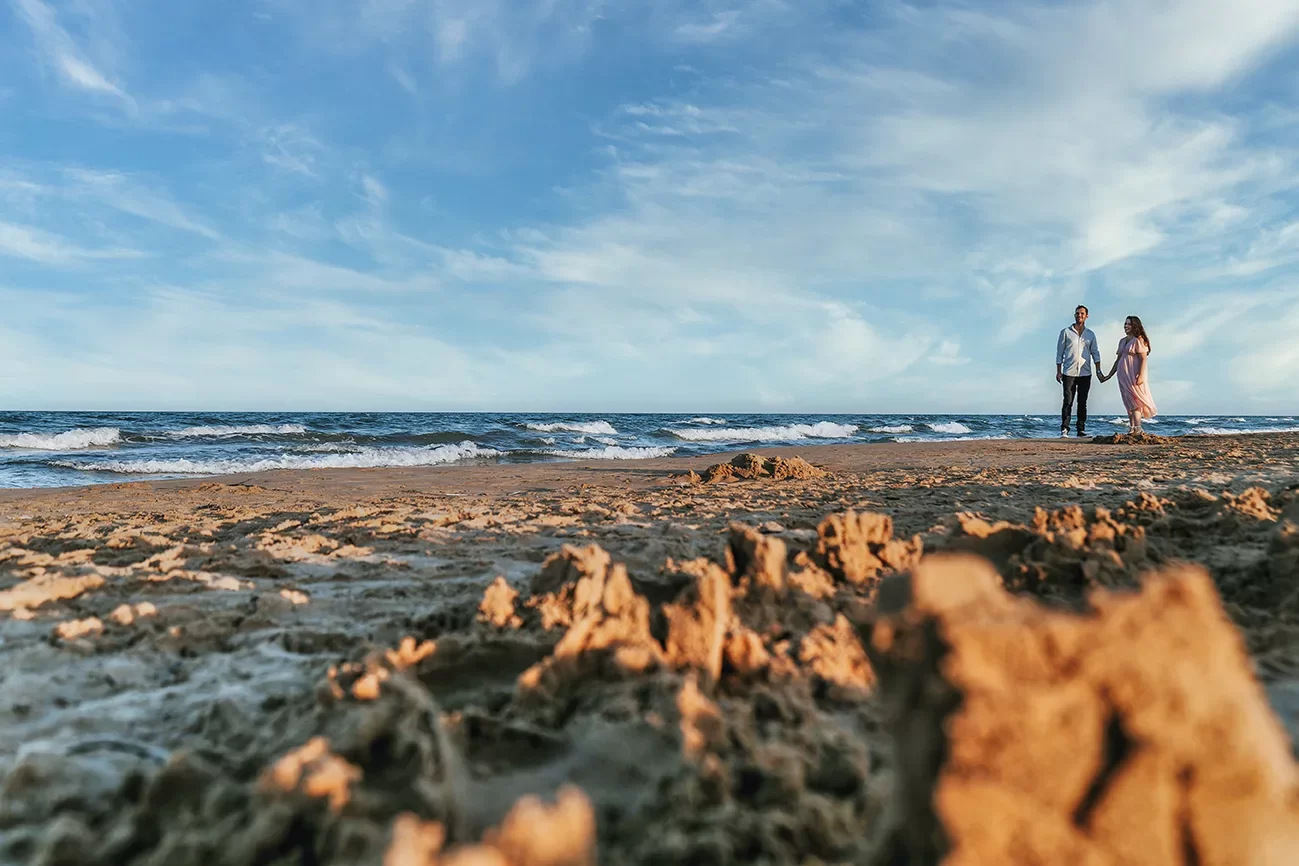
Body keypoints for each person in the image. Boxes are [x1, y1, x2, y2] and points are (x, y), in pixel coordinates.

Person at [1098, 315, 1156, 434]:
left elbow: (1143, 359)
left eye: (1129, 324)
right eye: (1125, 324)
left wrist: (1141, 375)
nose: (1126, 326)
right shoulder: (1122, 341)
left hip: (1133, 374)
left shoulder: (1138, 340)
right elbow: (1118, 360)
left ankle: (1138, 427)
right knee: (1128, 401)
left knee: (1135, 401)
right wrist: (1109, 376)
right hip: (1123, 376)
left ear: (1135, 326)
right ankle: (1132, 427)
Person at [1055, 304, 1101, 437]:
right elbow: (1059, 353)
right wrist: (1058, 371)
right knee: (1068, 401)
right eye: (1077, 313)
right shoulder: (1065, 332)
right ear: (1074, 315)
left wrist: (1098, 370)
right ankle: (1065, 429)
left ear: (1086, 316)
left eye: (1082, 313)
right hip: (1068, 372)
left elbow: (1095, 353)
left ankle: (1080, 430)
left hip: (1085, 373)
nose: (1079, 315)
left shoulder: (1090, 334)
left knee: (1082, 402)